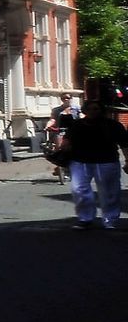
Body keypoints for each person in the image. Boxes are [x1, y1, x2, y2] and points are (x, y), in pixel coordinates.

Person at [58, 102, 128, 230]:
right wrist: (64, 146)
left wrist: (127, 160)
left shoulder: (113, 125)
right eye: (89, 109)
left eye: (96, 109)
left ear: (101, 110)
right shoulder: (77, 125)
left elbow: (124, 144)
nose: (92, 111)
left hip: (106, 161)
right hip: (80, 161)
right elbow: (67, 140)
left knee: (109, 192)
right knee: (79, 189)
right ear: (84, 110)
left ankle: (110, 220)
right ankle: (85, 218)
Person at [48, 93, 81, 180]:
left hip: (75, 131)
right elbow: (53, 119)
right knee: (60, 147)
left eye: (67, 98)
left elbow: (82, 117)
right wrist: (48, 126)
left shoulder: (77, 108)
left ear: (71, 99)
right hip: (61, 131)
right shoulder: (57, 110)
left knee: (76, 149)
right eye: (63, 98)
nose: (65, 99)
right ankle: (62, 167)